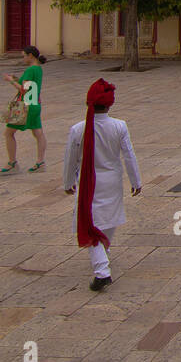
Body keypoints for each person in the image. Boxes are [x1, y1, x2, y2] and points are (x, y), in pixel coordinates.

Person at [63, 79, 141, 291]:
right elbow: (129, 156)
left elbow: (70, 159)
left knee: (91, 224)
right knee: (107, 219)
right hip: (112, 179)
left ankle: (102, 270)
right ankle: (103, 255)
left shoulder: (78, 129)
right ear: (110, 104)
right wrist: (136, 181)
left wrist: (68, 181)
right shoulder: (119, 126)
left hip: (90, 182)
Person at [2, 46, 47, 174]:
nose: (23, 58)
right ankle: (40, 162)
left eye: (24, 56)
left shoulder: (30, 70)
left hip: (24, 104)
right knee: (38, 133)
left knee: (8, 133)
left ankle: (12, 163)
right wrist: (16, 78)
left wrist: (11, 81)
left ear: (30, 56)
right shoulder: (38, 69)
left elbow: (24, 89)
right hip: (35, 104)